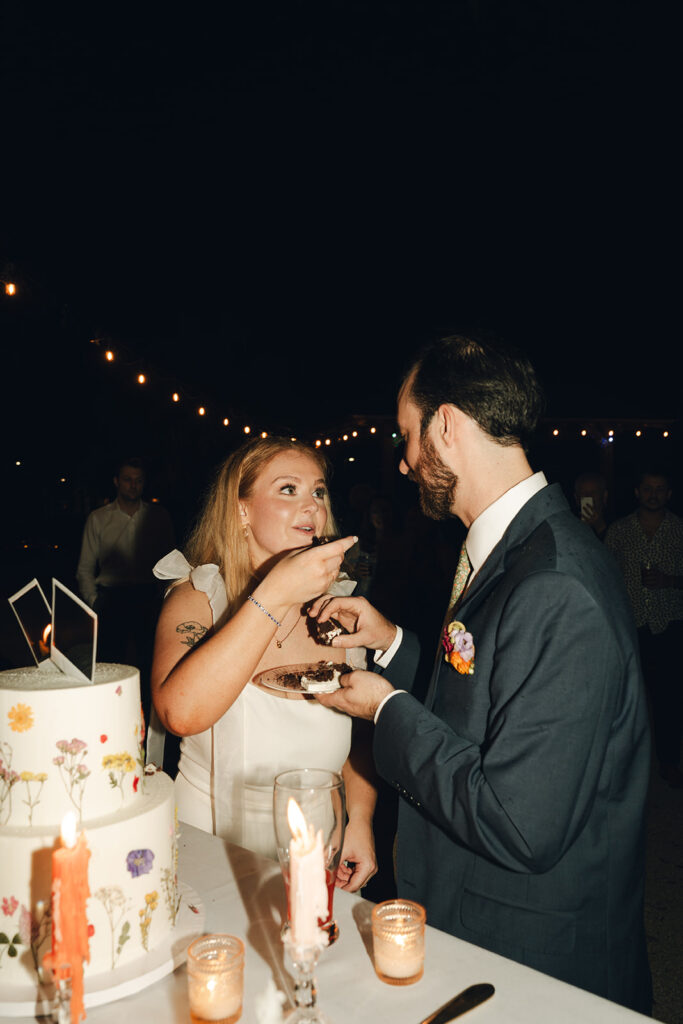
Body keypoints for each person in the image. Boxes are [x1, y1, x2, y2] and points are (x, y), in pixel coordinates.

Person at [310, 334, 652, 1012]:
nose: (406, 463)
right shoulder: (515, 544)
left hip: (531, 957)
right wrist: (393, 643)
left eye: (407, 436)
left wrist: (386, 712)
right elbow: (487, 693)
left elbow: (520, 824)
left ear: (446, 424)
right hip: (480, 925)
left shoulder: (554, 580)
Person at [150, 437, 377, 892]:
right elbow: (179, 713)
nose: (311, 505)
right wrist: (274, 593)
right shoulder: (201, 597)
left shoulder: (339, 611)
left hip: (314, 852)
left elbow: (360, 734)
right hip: (211, 853)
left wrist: (360, 820)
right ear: (241, 512)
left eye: (318, 491)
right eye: (288, 489)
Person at [76, 457, 175, 717]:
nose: (133, 485)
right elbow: (85, 567)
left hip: (147, 597)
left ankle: (148, 719)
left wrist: (167, 598)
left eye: (139, 480)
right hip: (112, 598)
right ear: (117, 482)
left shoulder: (158, 516)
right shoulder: (98, 519)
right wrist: (94, 601)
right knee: (109, 666)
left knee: (152, 663)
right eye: (128, 479)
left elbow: (171, 563)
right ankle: (108, 717)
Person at [606, 469, 683, 788]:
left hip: (670, 625)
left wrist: (670, 581)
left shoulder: (679, 530)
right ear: (637, 492)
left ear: (669, 494)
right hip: (630, 625)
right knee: (627, 702)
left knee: (669, 699)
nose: (653, 494)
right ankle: (624, 769)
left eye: (660, 489)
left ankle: (668, 762)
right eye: (648, 488)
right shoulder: (620, 530)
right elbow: (605, 573)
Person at [574, 470, 609, 541]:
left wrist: (600, 527)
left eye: (593, 493)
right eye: (583, 493)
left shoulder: (617, 526)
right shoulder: (569, 524)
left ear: (604, 496)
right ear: (576, 498)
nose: (588, 496)